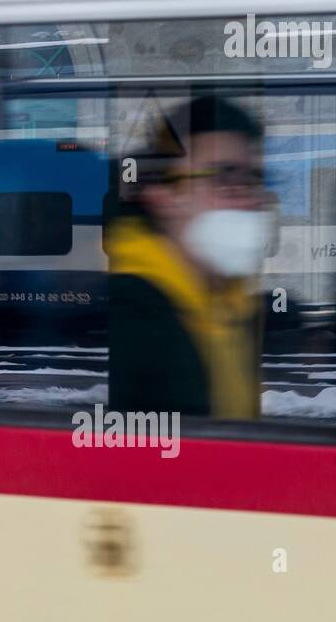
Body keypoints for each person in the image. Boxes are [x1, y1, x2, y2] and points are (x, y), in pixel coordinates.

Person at [107, 96, 272, 419]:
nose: (249, 200)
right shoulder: (129, 318)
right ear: (164, 195)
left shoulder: (233, 306)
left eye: (253, 180)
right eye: (224, 178)